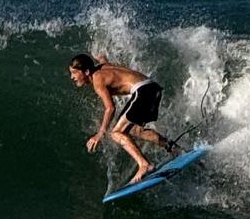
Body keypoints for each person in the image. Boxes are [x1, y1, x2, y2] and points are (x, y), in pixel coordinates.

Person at [69, 53, 181, 184]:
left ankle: (144, 165)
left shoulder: (97, 79)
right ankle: (174, 148)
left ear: (86, 71)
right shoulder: (103, 67)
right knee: (135, 130)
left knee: (116, 133)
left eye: (75, 72)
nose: (72, 77)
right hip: (153, 88)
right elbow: (104, 60)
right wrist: (100, 57)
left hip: (143, 91)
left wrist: (100, 133)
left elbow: (110, 108)